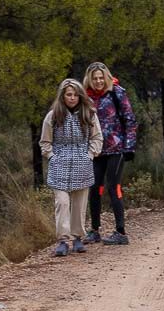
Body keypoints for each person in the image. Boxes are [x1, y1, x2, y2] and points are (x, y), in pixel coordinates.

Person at [39, 79, 103, 257]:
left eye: (75, 94)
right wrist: (52, 156)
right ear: (62, 96)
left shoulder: (89, 114)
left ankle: (77, 238)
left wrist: (90, 154)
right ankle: (62, 240)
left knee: (79, 204)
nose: (72, 98)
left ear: (80, 95)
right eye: (69, 94)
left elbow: (97, 138)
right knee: (62, 203)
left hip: (82, 164)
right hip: (59, 165)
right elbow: (45, 141)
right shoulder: (53, 116)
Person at [83, 62, 138, 246]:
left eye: (101, 78)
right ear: (89, 79)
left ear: (106, 77)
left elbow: (130, 119)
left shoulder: (116, 92)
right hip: (96, 150)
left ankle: (121, 232)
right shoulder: (86, 97)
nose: (98, 81)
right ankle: (95, 230)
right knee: (94, 188)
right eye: (95, 78)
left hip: (117, 148)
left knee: (113, 187)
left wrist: (129, 146)